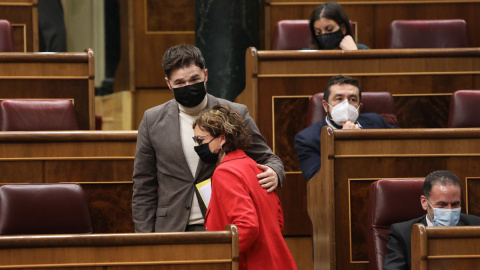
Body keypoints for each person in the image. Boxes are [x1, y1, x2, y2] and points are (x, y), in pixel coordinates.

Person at [132, 44, 286, 232]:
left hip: (222, 224)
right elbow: (143, 185)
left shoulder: (234, 112)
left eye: (194, 79)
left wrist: (275, 172)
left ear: (205, 75)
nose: (188, 86)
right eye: (180, 83)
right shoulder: (152, 119)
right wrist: (145, 237)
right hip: (172, 228)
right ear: (168, 83)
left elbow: (269, 158)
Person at [193, 104, 297, 270]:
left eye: (201, 140)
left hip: (252, 264)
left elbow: (247, 226)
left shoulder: (225, 172)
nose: (197, 147)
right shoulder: (254, 165)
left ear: (221, 138)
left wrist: (218, 254)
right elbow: (278, 220)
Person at [294, 75, 397, 180]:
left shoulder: (376, 121)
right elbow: (318, 179)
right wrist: (345, 142)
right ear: (325, 106)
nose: (346, 104)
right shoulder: (307, 139)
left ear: (359, 107)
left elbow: (405, 145)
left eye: (352, 99)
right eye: (339, 99)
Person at [383, 170, 480, 270]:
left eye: (455, 204)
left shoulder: (476, 226)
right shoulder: (402, 233)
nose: (449, 210)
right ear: (424, 202)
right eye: (442, 205)